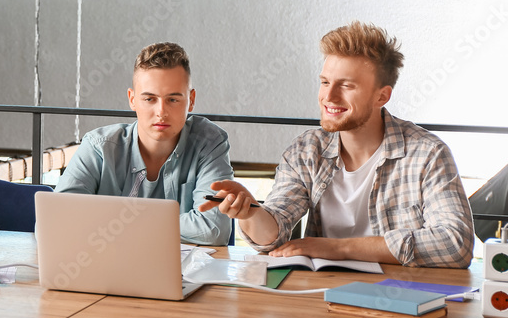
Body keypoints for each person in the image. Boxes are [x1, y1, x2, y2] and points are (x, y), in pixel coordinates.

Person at [201, 21, 475, 268]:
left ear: (382, 96)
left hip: (399, 293)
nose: (329, 96)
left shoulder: (427, 153)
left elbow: (456, 244)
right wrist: (250, 212)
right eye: (325, 82)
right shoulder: (306, 151)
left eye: (346, 86)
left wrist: (338, 248)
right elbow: (274, 233)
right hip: (322, 293)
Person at [56, 41, 233, 246]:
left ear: (191, 100)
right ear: (132, 99)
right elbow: (58, 219)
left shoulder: (209, 143)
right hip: (104, 262)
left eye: (173, 100)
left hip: (181, 266)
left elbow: (213, 229)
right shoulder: (99, 147)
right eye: (149, 99)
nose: (161, 112)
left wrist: (118, 225)